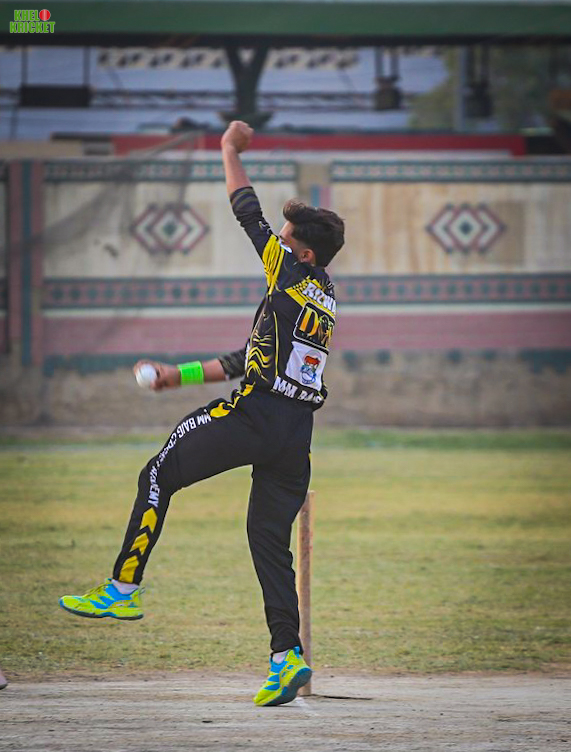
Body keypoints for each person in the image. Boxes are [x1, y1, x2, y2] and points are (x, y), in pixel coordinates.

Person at [59, 121, 345, 707]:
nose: (275, 244)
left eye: (285, 241)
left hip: (256, 415)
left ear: (303, 254)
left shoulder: (289, 271)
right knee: (268, 543)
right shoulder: (322, 296)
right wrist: (177, 375)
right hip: (295, 436)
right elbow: (244, 358)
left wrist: (228, 148)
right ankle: (286, 659)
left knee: (157, 474)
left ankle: (122, 588)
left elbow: (246, 211)